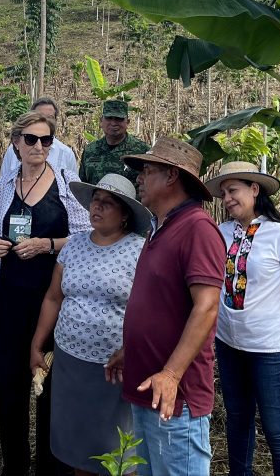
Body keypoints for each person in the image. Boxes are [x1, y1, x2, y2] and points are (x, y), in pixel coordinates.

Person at [104, 137, 225, 476]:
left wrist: (171, 373)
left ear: (172, 176)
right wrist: (133, 349)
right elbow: (162, 302)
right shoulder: (163, 228)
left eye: (147, 171)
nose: (139, 179)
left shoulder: (198, 229)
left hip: (177, 397)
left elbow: (207, 307)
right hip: (150, 387)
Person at [0, 111, 91, 476]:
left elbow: (87, 237)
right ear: (16, 144)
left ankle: (50, 465)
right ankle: (14, 464)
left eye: (46, 141)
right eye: (31, 139)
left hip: (53, 300)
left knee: (51, 388)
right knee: (10, 386)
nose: (39, 147)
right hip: (9, 299)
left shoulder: (66, 184)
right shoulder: (1, 187)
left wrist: (48, 244)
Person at [30, 173, 152, 476]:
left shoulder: (140, 251)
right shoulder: (74, 246)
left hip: (113, 366)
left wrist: (132, 347)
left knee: (114, 447)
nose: (97, 208)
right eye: (95, 201)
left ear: (125, 215)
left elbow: (150, 309)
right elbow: (53, 298)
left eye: (107, 204)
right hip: (71, 362)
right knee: (78, 445)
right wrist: (37, 345)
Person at [204, 161, 280, 476]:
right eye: (223, 193)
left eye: (234, 190)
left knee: (277, 429)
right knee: (237, 420)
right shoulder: (221, 233)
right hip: (228, 345)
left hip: (271, 350)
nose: (227, 198)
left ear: (255, 189)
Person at [0, 96, 78, 179]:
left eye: (50, 117)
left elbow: (74, 189)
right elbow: (4, 180)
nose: (45, 121)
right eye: (40, 116)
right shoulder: (13, 149)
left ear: (56, 121)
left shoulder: (67, 154)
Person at [78, 99, 149, 187]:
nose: (113, 123)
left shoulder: (142, 151)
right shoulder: (90, 150)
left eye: (119, 119)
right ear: (101, 121)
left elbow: (150, 186)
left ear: (127, 122)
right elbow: (83, 184)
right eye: (109, 118)